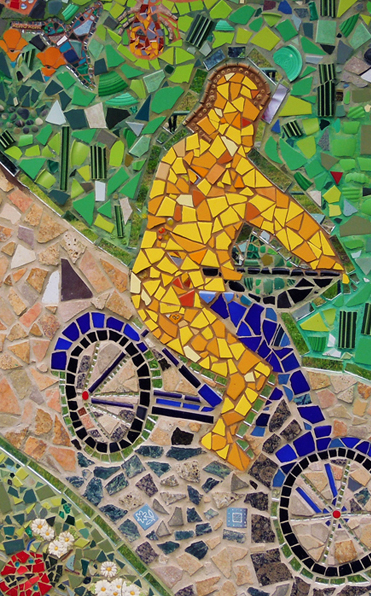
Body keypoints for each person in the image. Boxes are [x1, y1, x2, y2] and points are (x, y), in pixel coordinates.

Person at [131, 63, 345, 470]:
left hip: (217, 291)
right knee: (250, 371)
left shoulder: (242, 174)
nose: (247, 133)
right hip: (166, 289)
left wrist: (327, 261)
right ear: (212, 114)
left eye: (251, 122)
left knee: (276, 337)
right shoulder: (180, 160)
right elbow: (163, 231)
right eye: (241, 120)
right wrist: (196, 269)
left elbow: (287, 217)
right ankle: (222, 435)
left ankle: (306, 429)